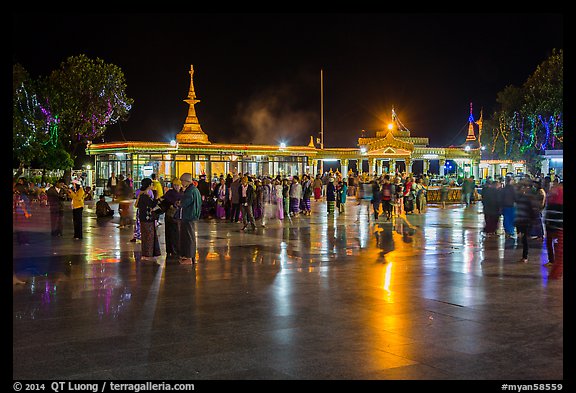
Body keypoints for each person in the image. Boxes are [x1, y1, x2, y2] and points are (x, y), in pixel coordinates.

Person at [179, 173, 202, 264]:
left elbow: (184, 203)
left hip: (188, 216)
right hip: (193, 216)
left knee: (188, 237)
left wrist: (179, 202)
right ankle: (190, 257)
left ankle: (189, 257)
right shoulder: (195, 190)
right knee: (190, 236)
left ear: (186, 181)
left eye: (182, 181)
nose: (181, 183)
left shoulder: (189, 191)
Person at [137, 178, 162, 261]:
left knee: (149, 236)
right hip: (146, 219)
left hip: (147, 219)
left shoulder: (144, 195)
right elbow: (152, 204)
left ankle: (149, 253)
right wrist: (157, 197)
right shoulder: (144, 196)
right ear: (148, 185)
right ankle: (147, 254)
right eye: (151, 184)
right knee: (148, 237)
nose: (153, 186)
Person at [514, 179, 538, 263]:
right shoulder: (521, 197)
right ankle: (524, 256)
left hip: (525, 221)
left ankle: (525, 256)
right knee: (523, 239)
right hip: (520, 220)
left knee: (525, 239)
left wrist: (532, 221)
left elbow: (532, 210)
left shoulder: (528, 198)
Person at [543, 179, 563, 269]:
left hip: (556, 225)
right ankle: (552, 261)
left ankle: (554, 262)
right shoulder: (553, 194)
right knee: (552, 243)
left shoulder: (558, 194)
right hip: (552, 224)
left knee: (557, 245)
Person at [163, 178, 183, 257]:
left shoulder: (181, 193)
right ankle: (171, 250)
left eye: (177, 185)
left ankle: (175, 249)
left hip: (177, 217)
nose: (176, 187)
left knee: (176, 234)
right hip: (170, 216)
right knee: (170, 233)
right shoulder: (170, 193)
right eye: (175, 185)